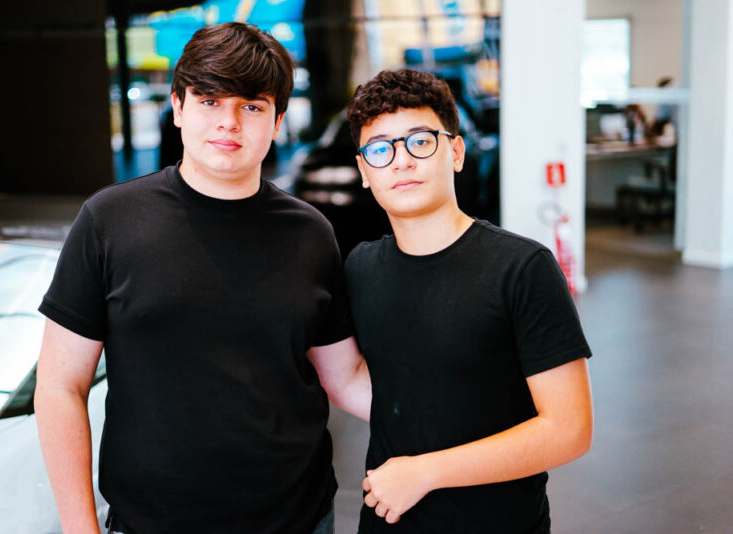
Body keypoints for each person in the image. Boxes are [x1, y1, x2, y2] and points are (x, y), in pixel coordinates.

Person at [34, 22, 370, 534]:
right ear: (178, 107)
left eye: (251, 106)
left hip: (297, 518)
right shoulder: (109, 221)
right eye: (210, 101)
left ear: (277, 121)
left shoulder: (310, 233)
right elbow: (61, 385)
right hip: (151, 522)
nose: (228, 123)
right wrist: (81, 528)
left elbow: (344, 377)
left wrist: (457, 420)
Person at [344, 68, 593, 533]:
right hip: (388, 517)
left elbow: (570, 428)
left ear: (455, 152)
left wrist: (424, 472)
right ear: (364, 171)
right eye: (380, 149)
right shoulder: (360, 267)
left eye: (420, 141)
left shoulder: (522, 268)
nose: (401, 162)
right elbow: (371, 383)